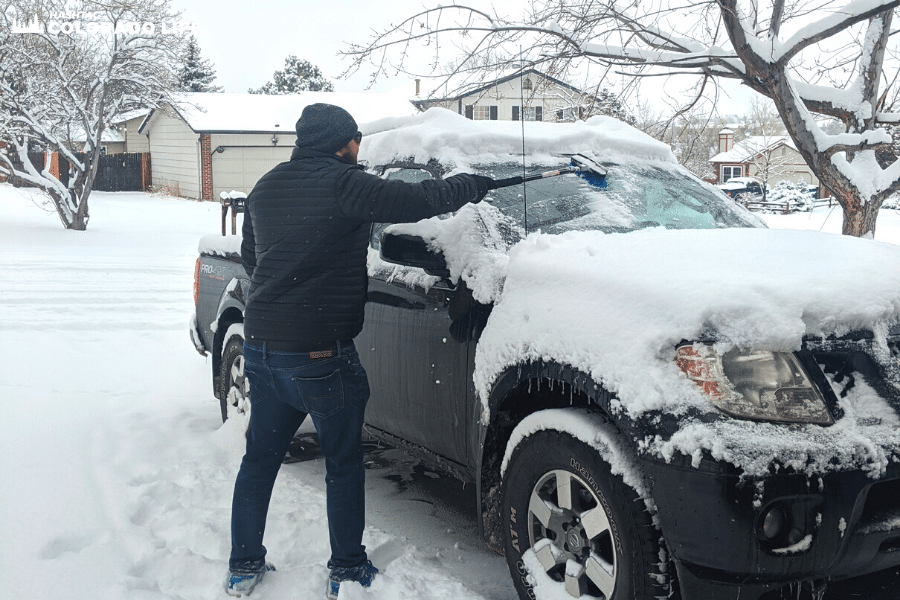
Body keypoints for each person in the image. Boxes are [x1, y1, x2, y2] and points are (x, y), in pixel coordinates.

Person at [225, 103, 494, 599]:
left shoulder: (266, 186)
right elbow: (419, 200)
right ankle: (347, 569)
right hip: (319, 356)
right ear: (340, 142)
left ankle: (243, 565)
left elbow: (252, 257)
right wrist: (474, 186)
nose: (358, 149)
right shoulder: (344, 182)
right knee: (343, 462)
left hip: (263, 348)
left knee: (259, 460)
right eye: (354, 140)